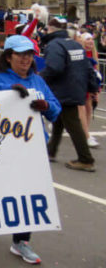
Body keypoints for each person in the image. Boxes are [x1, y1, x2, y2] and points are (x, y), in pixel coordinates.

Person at [0, 34, 61, 265]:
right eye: (21, 54)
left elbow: (55, 109)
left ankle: (21, 241)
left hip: (33, 148)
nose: (26, 59)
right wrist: (8, 95)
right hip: (2, 148)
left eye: (29, 54)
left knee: (28, 194)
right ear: (9, 56)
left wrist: (46, 106)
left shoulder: (37, 80)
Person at [42, 18, 98, 171]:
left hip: (63, 89)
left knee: (73, 123)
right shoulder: (74, 44)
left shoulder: (54, 45)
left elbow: (54, 68)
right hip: (76, 87)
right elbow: (88, 68)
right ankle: (50, 151)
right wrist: (93, 87)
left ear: (51, 29)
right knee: (59, 120)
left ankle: (85, 158)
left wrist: (38, 79)